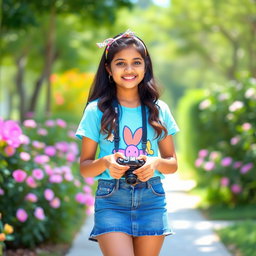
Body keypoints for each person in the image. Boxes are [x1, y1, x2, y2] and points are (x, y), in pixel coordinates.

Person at [76, 29, 180, 256]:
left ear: (146, 66)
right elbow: (85, 167)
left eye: (136, 62)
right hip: (111, 200)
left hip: (152, 199)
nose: (129, 69)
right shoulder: (96, 111)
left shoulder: (159, 110)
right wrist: (106, 162)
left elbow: (172, 164)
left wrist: (154, 163)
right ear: (108, 69)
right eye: (120, 63)